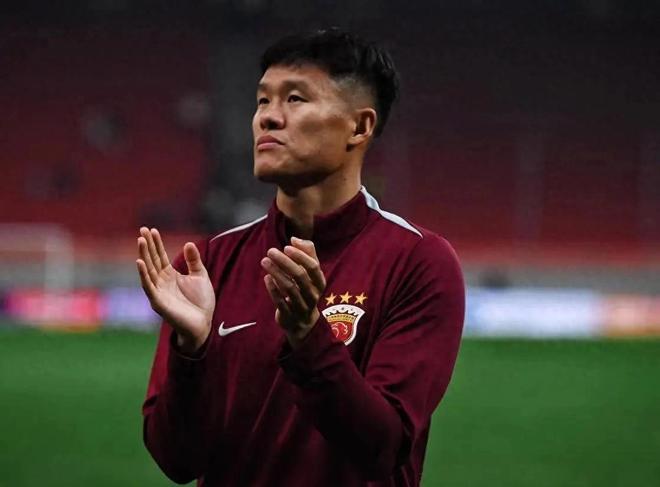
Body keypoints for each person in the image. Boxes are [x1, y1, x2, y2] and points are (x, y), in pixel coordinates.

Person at [138, 28, 465, 487]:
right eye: (262, 101)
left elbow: (384, 448)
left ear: (359, 127)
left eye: (295, 99)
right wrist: (191, 352)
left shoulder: (418, 262)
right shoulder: (209, 262)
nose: (268, 118)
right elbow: (177, 461)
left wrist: (309, 338)